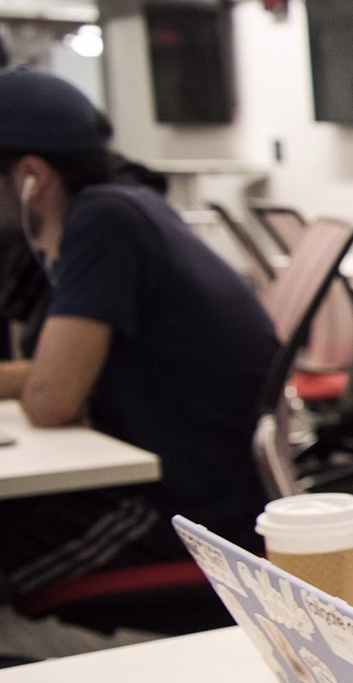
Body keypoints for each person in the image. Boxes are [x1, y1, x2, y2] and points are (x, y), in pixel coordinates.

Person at [0, 69, 279, 601]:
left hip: (184, 517)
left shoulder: (102, 222)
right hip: (195, 483)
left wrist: (40, 385)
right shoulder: (127, 207)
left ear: (30, 174)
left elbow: (50, 401)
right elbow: (55, 380)